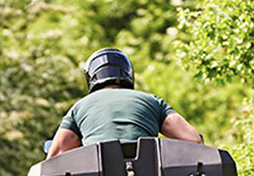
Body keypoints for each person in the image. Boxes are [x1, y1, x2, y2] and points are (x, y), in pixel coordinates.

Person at [47, 48, 202, 159]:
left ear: (91, 77)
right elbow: (192, 139)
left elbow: (55, 156)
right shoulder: (152, 101)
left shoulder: (79, 107)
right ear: (128, 72)